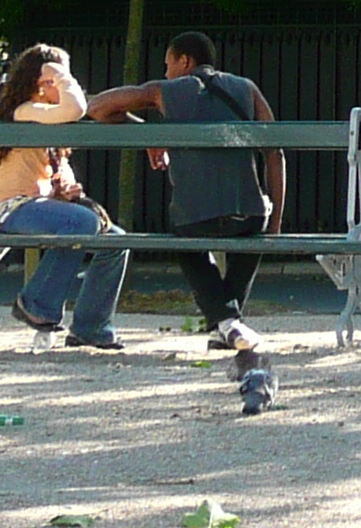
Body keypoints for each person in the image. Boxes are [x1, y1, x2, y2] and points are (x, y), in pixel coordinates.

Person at [89, 31, 283, 350]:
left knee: (184, 240)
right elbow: (275, 153)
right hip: (249, 216)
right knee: (254, 232)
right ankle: (229, 326)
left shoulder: (163, 91)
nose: (165, 72)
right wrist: (274, 224)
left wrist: (146, 133)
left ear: (185, 61)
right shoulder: (247, 89)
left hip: (194, 218)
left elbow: (98, 107)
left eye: (168, 64)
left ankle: (226, 321)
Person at [0, 44, 127, 350]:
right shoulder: (25, 111)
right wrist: (57, 72)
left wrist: (68, 192)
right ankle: (35, 304)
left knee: (117, 241)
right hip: (12, 208)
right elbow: (76, 107)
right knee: (82, 224)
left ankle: (91, 327)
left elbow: (59, 175)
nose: (66, 84)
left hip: (42, 205)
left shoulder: (50, 124)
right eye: (58, 79)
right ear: (41, 83)